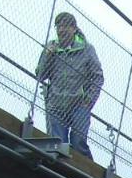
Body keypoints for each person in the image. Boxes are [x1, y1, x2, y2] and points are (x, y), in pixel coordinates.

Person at [35, 11, 103, 159]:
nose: (61, 30)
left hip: (80, 104)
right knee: (58, 145)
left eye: (65, 26)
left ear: (73, 29)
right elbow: (40, 75)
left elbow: (98, 77)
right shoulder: (51, 48)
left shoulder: (86, 49)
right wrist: (47, 55)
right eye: (58, 26)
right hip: (56, 104)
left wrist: (89, 100)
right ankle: (63, 177)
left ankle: (88, 173)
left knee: (78, 143)